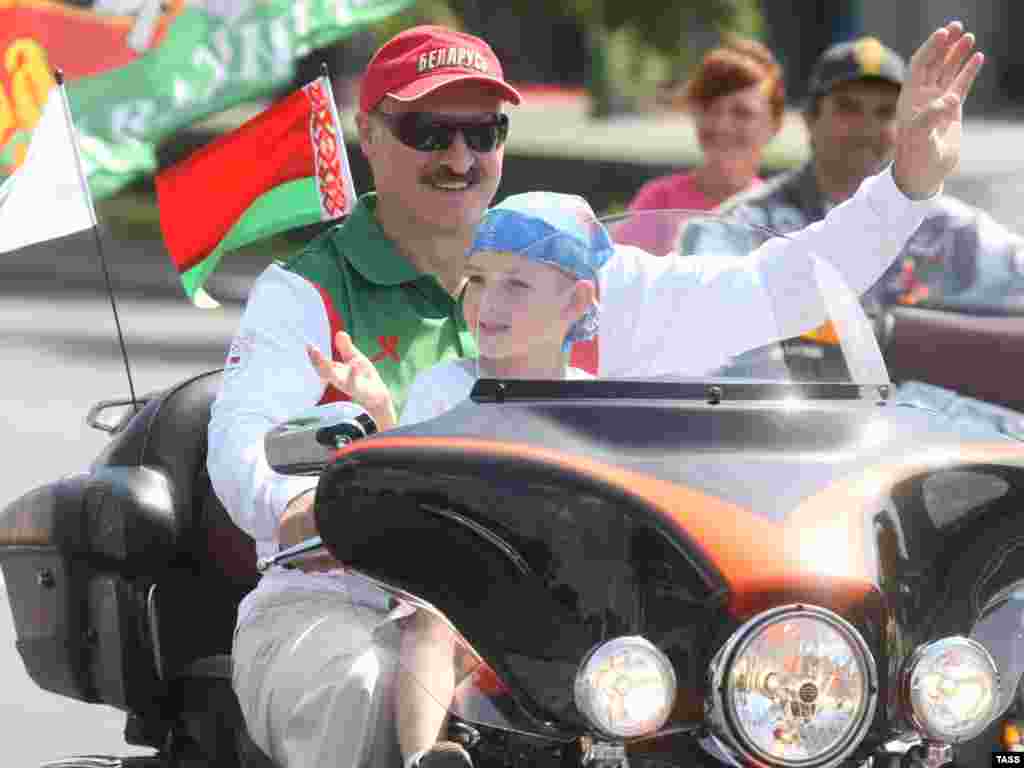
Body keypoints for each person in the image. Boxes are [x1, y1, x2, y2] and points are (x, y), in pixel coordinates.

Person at [207, 20, 983, 768]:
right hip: (354, 596)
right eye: (428, 131)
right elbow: (249, 454)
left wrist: (906, 186)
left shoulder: (585, 280)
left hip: (573, 610)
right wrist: (328, 496)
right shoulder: (305, 292)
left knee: (760, 693)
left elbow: (779, 288)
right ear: (368, 133)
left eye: (484, 132)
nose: (459, 154)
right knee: (373, 688)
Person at [714, 35, 1023, 315]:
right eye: (848, 108)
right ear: (810, 119)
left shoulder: (945, 230)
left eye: (886, 112)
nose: (866, 128)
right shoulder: (747, 221)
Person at [308, 191, 609, 428]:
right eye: (477, 279)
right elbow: (407, 487)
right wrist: (382, 413)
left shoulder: (596, 404)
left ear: (574, 302)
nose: (488, 302)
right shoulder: (446, 390)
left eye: (516, 284)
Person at [628, 37, 785, 214]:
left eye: (742, 112)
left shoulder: (781, 214)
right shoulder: (659, 202)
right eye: (710, 108)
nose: (722, 125)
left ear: (775, 124)